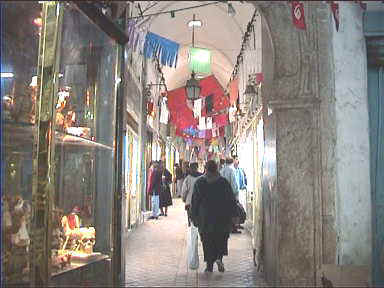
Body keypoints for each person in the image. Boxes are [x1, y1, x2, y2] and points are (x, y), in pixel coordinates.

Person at [191, 160, 237, 273]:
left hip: (205, 218)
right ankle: (219, 258)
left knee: (207, 241)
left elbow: (195, 201)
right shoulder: (224, 182)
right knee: (221, 238)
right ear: (217, 169)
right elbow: (231, 200)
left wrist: (193, 216)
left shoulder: (199, 182)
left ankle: (209, 265)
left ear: (205, 169)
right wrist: (233, 215)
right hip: (222, 218)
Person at [220, 157, 241, 233]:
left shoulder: (222, 171)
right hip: (230, 195)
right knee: (233, 212)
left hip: (222, 195)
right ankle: (233, 228)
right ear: (232, 162)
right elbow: (234, 185)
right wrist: (236, 194)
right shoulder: (232, 170)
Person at [234, 156, 247, 230]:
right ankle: (235, 224)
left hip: (239, 192)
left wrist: (244, 187)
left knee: (239, 209)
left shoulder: (240, 171)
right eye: (235, 159)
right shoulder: (232, 170)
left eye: (237, 160)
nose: (236, 161)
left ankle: (238, 224)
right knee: (236, 209)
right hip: (234, 193)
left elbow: (242, 182)